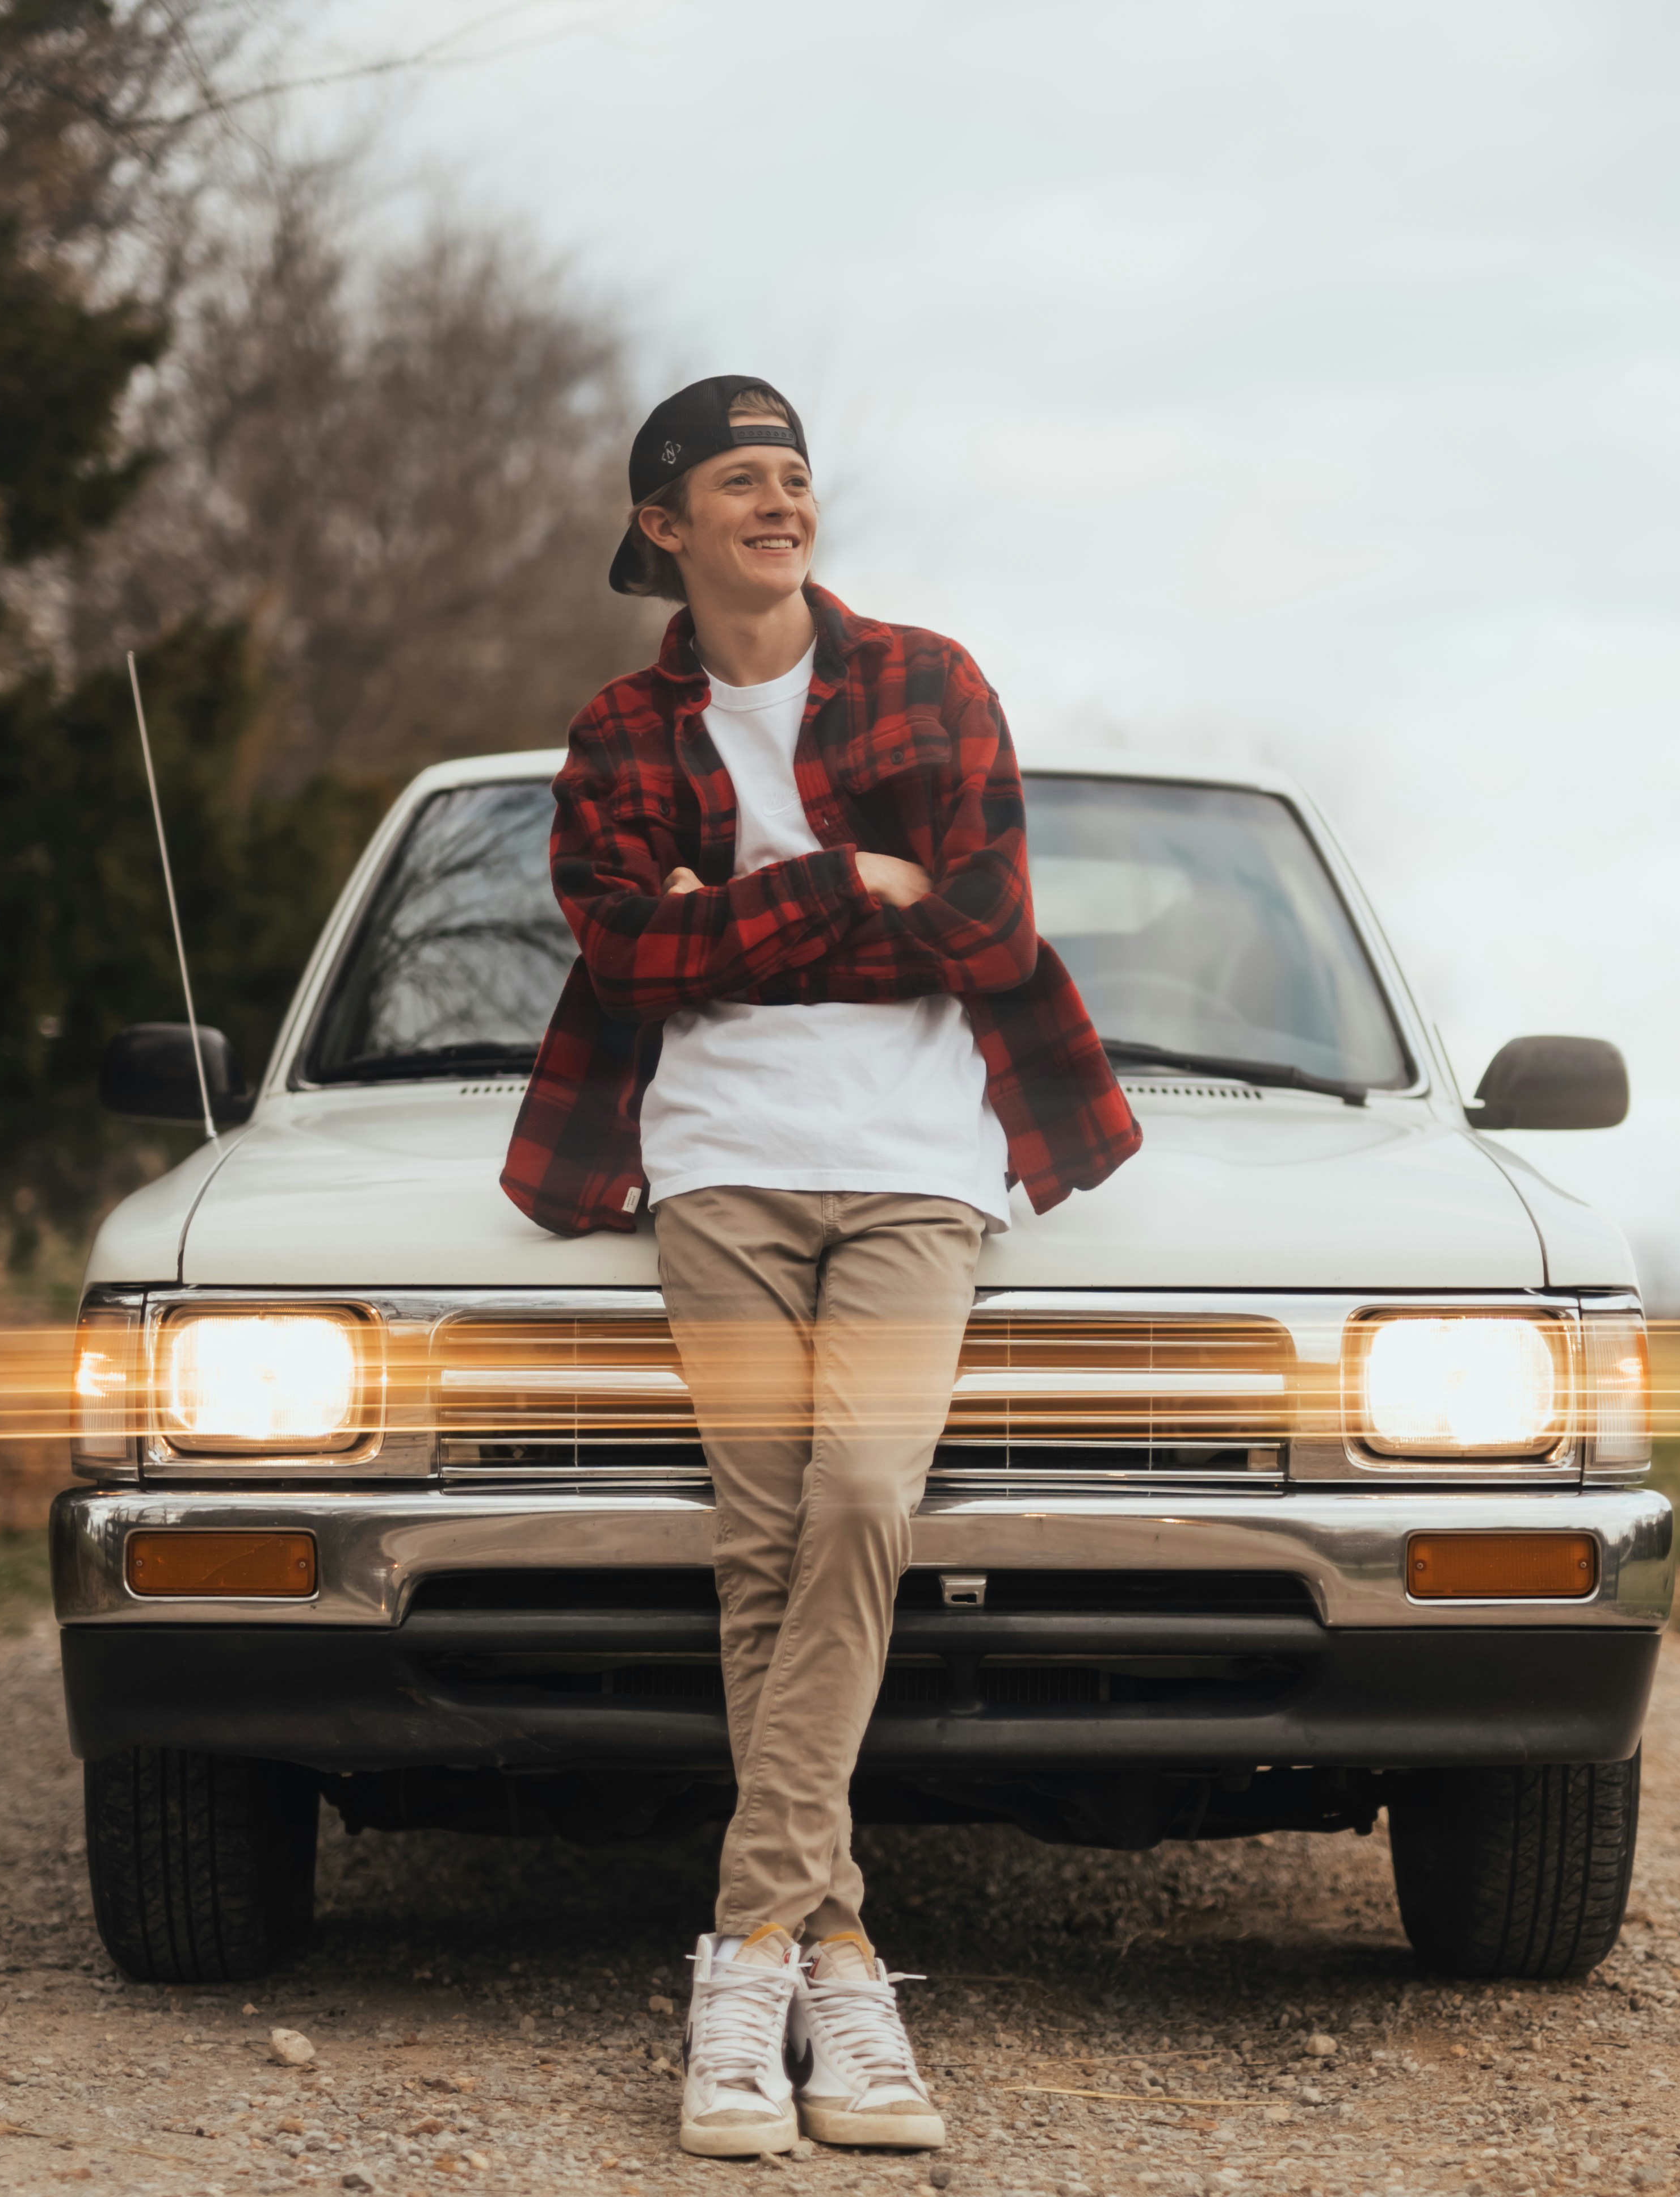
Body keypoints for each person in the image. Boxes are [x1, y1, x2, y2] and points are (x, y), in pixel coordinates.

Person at [502, 376, 1139, 2158]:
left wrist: (742, 919)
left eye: (794, 478)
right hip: (716, 1169)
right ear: (663, 527)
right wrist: (856, 887)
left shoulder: (928, 679)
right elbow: (630, 961)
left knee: (859, 1500)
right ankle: (839, 1959)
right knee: (764, 1542)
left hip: (921, 1167)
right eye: (738, 483)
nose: (778, 504)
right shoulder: (620, 730)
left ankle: (746, 1948)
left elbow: (989, 929)